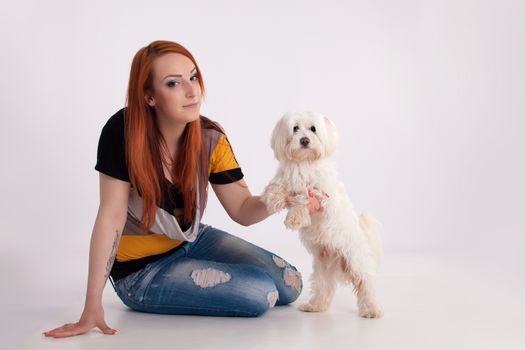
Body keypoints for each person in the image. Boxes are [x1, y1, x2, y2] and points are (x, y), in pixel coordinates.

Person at [43, 40, 321, 338]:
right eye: (173, 83)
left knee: (291, 283)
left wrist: (285, 198)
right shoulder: (121, 132)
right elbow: (110, 217)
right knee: (261, 292)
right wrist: (92, 306)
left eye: (193, 77)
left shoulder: (210, 137)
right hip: (141, 273)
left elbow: (242, 210)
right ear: (149, 96)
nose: (192, 91)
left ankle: (189, 270)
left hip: (191, 240)